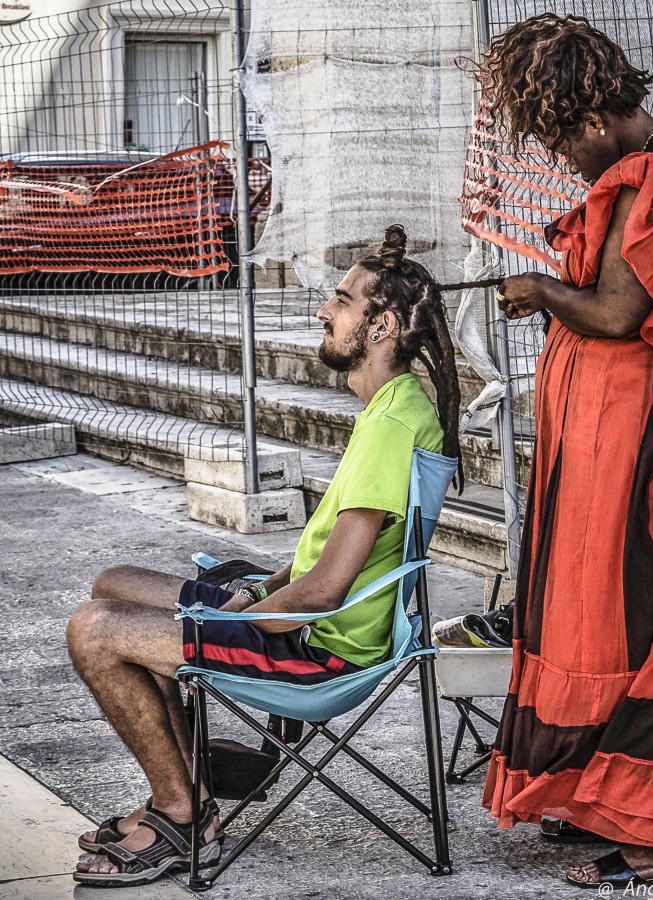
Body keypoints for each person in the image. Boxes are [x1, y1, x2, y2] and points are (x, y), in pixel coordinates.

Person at [66, 224, 463, 888]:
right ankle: (188, 783)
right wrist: (254, 591)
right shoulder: (392, 408)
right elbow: (324, 564)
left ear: (381, 326)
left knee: (94, 630)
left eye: (340, 301)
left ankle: (182, 811)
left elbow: (327, 590)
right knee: (115, 583)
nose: (323, 312)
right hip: (296, 617)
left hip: (318, 649)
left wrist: (237, 621)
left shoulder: (392, 427)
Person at [480, 14, 653, 889]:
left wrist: (541, 288)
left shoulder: (648, 179)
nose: (563, 159)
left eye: (559, 142)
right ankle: (598, 799)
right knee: (590, 612)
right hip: (614, 429)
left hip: (633, 430)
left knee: (636, 616)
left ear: (588, 120)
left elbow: (621, 314)